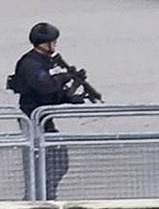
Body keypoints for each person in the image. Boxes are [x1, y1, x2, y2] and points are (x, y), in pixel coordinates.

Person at [9, 22, 99, 198]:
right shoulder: (30, 63)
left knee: (55, 161)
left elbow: (49, 93)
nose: (54, 45)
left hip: (42, 117)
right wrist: (65, 77)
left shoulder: (44, 61)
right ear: (45, 43)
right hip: (33, 119)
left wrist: (69, 96)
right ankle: (39, 196)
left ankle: (45, 194)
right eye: (52, 42)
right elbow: (44, 86)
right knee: (48, 161)